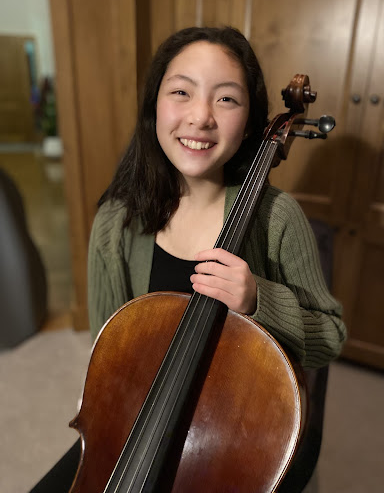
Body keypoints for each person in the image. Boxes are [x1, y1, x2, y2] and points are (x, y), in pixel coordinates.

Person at [31, 26, 346, 493]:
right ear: (154, 105)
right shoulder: (116, 222)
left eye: (226, 100)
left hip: (234, 434)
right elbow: (107, 359)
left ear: (252, 121)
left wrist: (260, 299)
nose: (200, 118)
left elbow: (331, 337)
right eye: (181, 92)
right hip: (135, 427)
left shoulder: (278, 218)